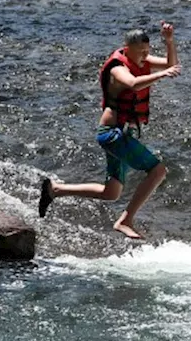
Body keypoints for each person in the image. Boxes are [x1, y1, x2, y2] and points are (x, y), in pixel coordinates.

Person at [39, 23, 180, 240]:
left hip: (122, 134)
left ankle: (55, 190)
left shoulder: (142, 59)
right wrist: (162, 75)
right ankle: (125, 220)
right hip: (113, 134)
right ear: (127, 48)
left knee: (111, 192)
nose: (146, 56)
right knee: (158, 171)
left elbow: (171, 64)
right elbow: (133, 84)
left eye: (148, 51)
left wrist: (169, 42)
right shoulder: (117, 67)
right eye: (141, 52)